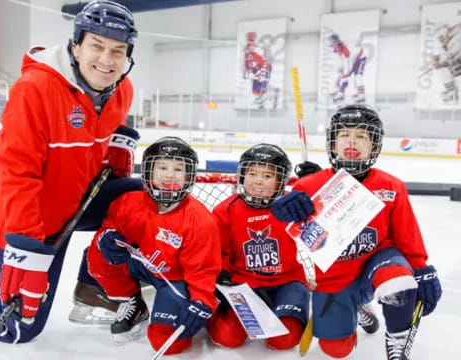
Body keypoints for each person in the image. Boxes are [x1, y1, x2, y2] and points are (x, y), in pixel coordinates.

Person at [0, 0, 144, 345]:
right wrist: (24, 243)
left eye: (118, 50)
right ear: (76, 45)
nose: (107, 59)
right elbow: (16, 171)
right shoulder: (35, 89)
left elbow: (93, 133)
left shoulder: (122, 90)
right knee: (20, 328)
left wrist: (114, 147)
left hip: (75, 203)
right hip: (22, 219)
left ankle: (93, 285)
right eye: (97, 46)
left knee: (144, 198)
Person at [271, 104, 442, 360]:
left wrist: (421, 268)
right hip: (336, 277)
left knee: (399, 283)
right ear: (333, 143)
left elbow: (407, 233)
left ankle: (397, 340)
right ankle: (360, 306)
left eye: (361, 136)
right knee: (335, 350)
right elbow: (278, 228)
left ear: (374, 146)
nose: (352, 141)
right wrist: (281, 208)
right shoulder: (310, 186)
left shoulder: (391, 186)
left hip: (380, 262)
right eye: (344, 135)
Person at [87, 136, 221, 353]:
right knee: (97, 253)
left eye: (178, 169)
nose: (169, 174)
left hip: (175, 280)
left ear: (189, 175)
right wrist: (106, 237)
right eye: (162, 167)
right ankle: (133, 302)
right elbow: (109, 227)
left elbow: (203, 270)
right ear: (149, 170)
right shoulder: (128, 201)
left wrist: (201, 301)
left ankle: (193, 306)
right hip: (143, 266)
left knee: (167, 343)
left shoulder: (200, 220)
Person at [207, 144, 311, 350]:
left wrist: (315, 182)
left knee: (284, 339)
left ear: (280, 181)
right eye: (252, 173)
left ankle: (283, 309)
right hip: (243, 284)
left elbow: (326, 226)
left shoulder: (290, 207)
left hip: (287, 282)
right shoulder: (225, 210)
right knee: (227, 337)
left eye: (267, 176)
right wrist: (224, 281)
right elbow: (219, 254)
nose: (257, 181)